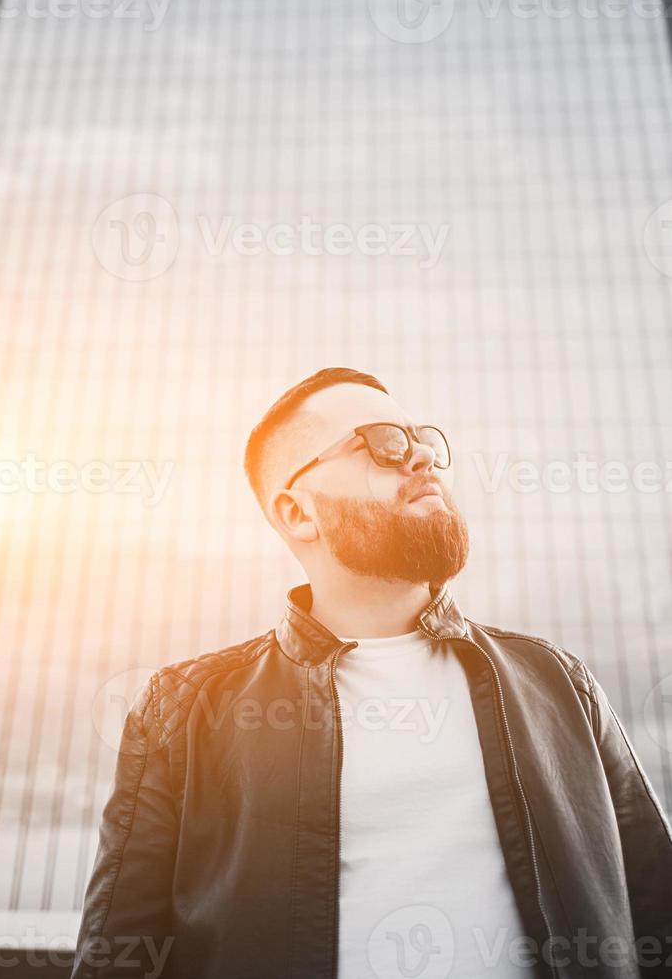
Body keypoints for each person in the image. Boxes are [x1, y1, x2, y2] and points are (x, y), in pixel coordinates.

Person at [72, 367, 672, 979]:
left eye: (425, 442)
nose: (420, 460)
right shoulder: (184, 710)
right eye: (383, 442)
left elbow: (657, 915)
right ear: (297, 513)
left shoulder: (558, 684)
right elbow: (116, 956)